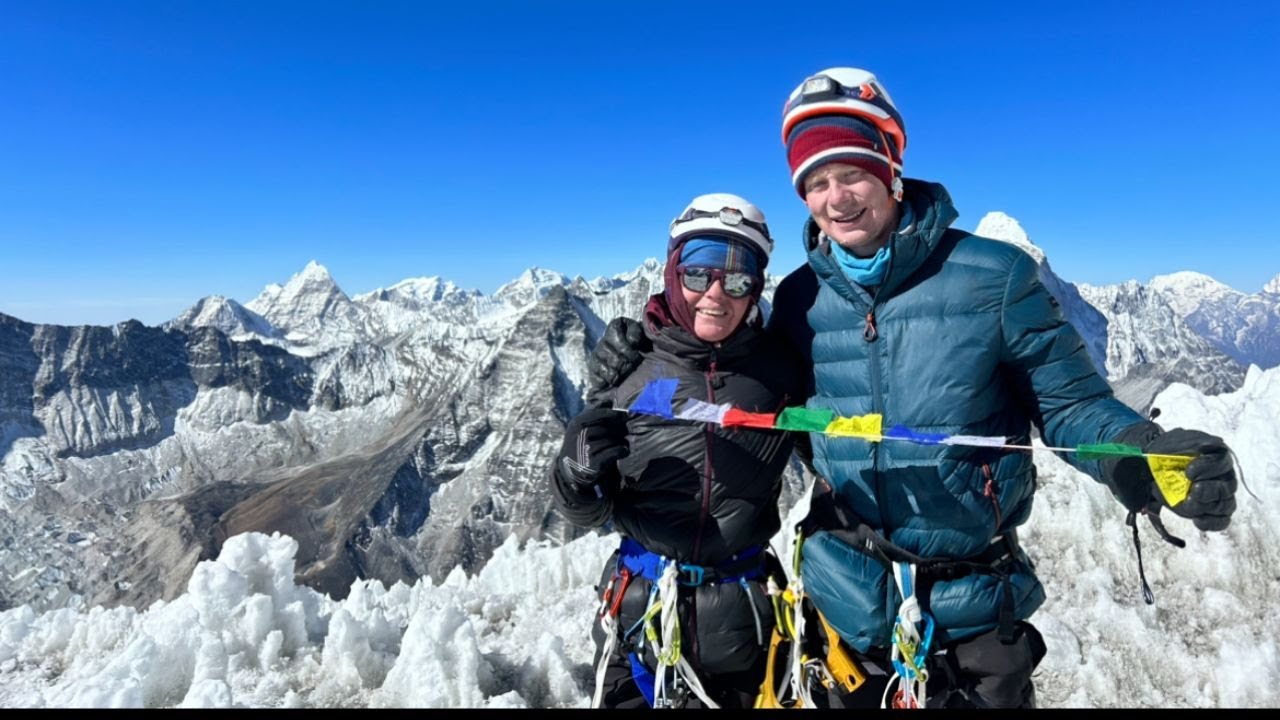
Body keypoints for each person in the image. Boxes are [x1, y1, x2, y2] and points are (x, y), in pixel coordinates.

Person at [586, 67, 1239, 709]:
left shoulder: (993, 278)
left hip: (972, 612)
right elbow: (735, 374)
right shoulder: (800, 300)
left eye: (852, 173)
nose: (836, 199)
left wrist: (1137, 454)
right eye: (815, 182)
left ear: (891, 167)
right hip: (843, 609)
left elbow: (1069, 403)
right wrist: (646, 344)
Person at [550, 193, 801, 709]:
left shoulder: (781, 371)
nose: (716, 294)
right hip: (640, 623)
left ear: (756, 288)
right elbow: (588, 510)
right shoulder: (628, 368)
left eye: (738, 281)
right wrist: (575, 476)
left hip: (744, 629)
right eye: (698, 274)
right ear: (673, 272)